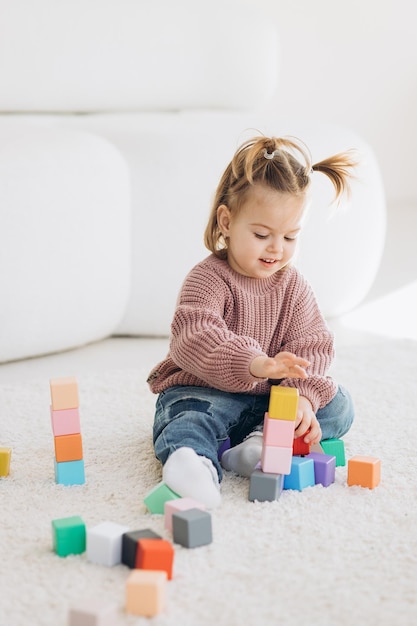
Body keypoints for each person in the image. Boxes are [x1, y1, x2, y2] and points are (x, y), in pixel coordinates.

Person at [147, 134, 356, 508]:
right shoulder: (208, 278)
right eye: (262, 234)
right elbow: (195, 336)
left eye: (291, 236)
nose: (277, 248)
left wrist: (301, 398)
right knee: (186, 419)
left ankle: (259, 444)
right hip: (208, 391)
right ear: (226, 221)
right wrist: (256, 363)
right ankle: (192, 465)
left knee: (338, 405)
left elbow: (312, 344)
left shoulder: (293, 285)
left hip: (269, 405)